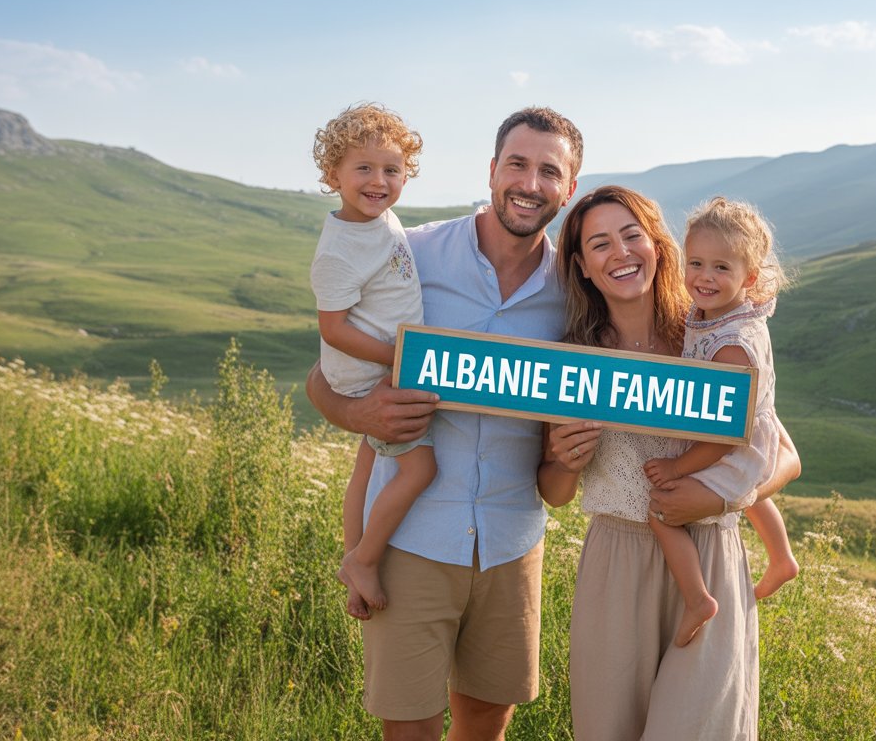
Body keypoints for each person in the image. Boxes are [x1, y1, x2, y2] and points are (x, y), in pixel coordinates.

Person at [306, 107, 582, 741]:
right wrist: (356, 411)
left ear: (567, 188)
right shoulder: (410, 253)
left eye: (549, 171)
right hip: (412, 542)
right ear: (491, 170)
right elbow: (322, 376)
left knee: (486, 728)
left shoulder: (575, 290)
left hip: (512, 543)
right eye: (517, 163)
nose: (529, 182)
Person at [537, 185, 801, 741]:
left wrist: (724, 495)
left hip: (706, 557)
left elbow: (783, 455)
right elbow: (555, 492)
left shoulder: (708, 332)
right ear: (582, 266)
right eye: (600, 244)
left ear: (657, 246)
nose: (621, 253)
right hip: (616, 562)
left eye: (632, 236)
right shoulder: (574, 358)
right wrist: (564, 459)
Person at [641, 196, 800, 647]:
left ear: (749, 277)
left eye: (721, 268)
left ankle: (698, 598)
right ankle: (782, 556)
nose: (705, 277)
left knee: (659, 508)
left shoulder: (732, 344)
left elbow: (726, 439)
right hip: (746, 435)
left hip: (735, 442)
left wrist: (677, 468)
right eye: (695, 263)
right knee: (744, 491)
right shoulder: (715, 313)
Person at [309, 102, 436, 618]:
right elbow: (332, 328)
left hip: (375, 370)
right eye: (363, 168)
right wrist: (399, 357)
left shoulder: (378, 220)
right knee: (418, 468)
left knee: (365, 467)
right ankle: (364, 559)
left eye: (392, 169)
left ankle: (352, 556)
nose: (378, 180)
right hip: (371, 378)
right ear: (333, 174)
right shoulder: (339, 250)